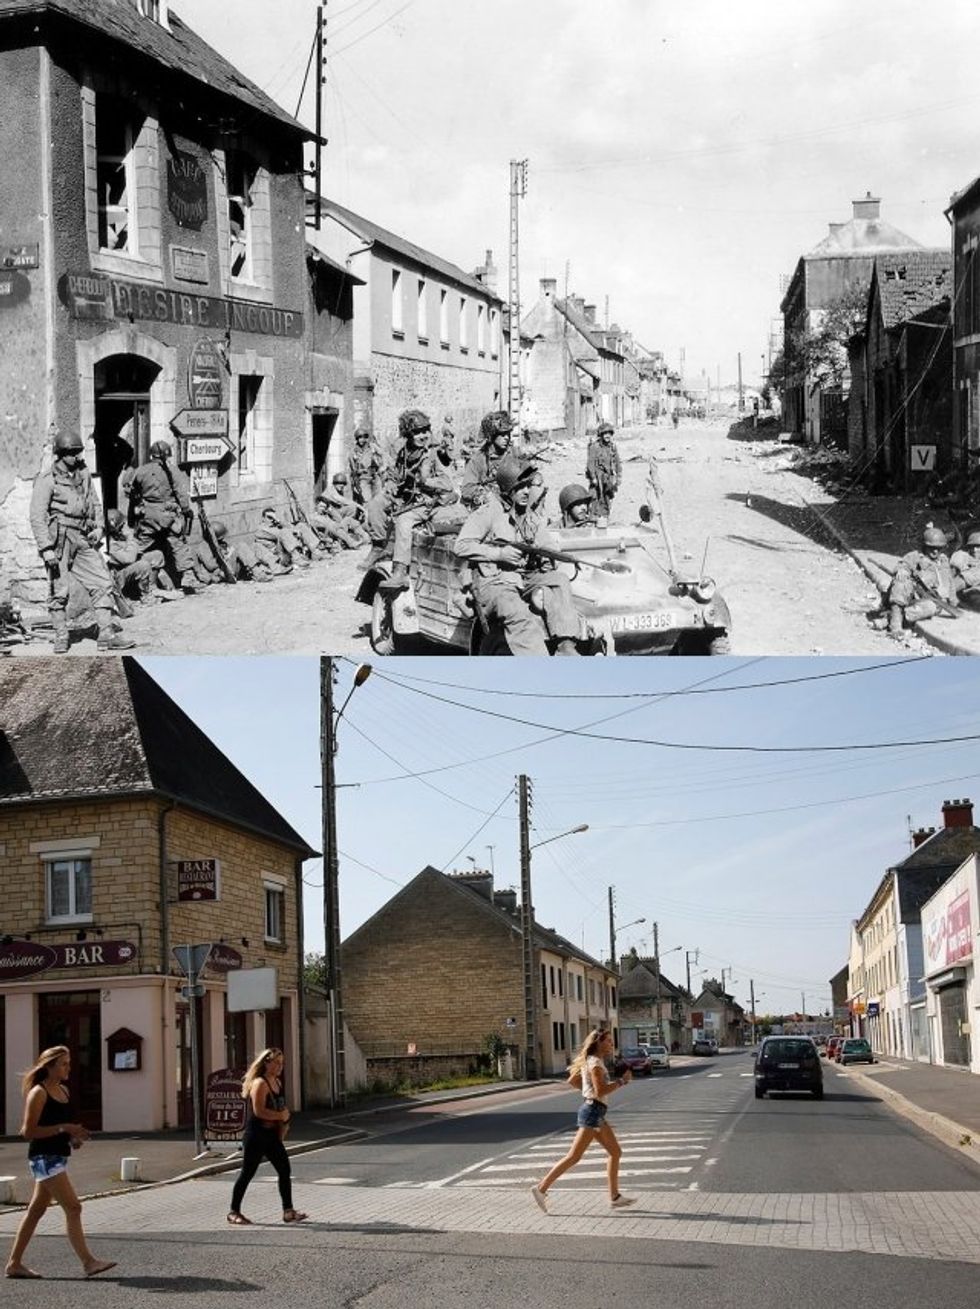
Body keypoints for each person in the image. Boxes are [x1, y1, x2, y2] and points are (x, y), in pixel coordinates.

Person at [5, 1045, 116, 1279]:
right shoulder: (39, 1092)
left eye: (69, 1063)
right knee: (74, 1208)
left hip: (57, 1155)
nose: (69, 1068)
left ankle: (14, 1264)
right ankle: (88, 1262)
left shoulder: (63, 1091)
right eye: (64, 1064)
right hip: (43, 1158)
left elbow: (60, 1127)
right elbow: (27, 1132)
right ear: (50, 1066)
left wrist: (73, 1137)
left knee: (36, 1211)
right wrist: (64, 1128)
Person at [454, 460, 582, 655]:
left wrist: (552, 554)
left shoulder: (529, 515)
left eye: (528, 486)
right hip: (495, 583)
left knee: (559, 580)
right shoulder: (489, 512)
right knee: (518, 613)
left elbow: (546, 542)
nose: (526, 492)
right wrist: (499, 554)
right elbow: (461, 545)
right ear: (507, 490)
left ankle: (566, 645)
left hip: (523, 577)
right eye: (520, 487)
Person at [29, 425, 134, 653]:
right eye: (73, 452)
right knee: (59, 590)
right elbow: (37, 517)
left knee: (102, 583)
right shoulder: (48, 480)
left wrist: (98, 527)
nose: (78, 456)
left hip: (84, 537)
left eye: (79, 451)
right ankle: (61, 635)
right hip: (60, 541)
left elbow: (95, 503)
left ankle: (106, 634)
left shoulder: (84, 474)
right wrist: (46, 548)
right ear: (61, 454)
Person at [530, 1029, 635, 1213]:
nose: (612, 1044)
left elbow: (573, 1080)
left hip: (595, 1111)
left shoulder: (594, 1061)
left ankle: (615, 1197)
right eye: (609, 1041)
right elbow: (601, 1091)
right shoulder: (594, 1063)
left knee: (615, 1152)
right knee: (574, 1156)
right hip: (593, 1112)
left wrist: (587, 1093)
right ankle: (541, 1189)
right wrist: (621, 1082)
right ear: (599, 1043)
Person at [378, 409, 461, 592]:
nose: (422, 436)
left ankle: (400, 572)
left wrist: (426, 482)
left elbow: (447, 482)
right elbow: (395, 475)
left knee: (405, 521)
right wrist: (391, 482)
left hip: (429, 502)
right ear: (408, 434)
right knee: (386, 512)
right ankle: (390, 560)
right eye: (417, 432)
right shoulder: (404, 453)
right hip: (410, 502)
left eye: (425, 431)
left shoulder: (433, 453)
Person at [227, 1048, 307, 1226]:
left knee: (284, 1169)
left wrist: (284, 1122)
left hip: (271, 1135)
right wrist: (281, 1116)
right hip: (256, 1135)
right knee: (247, 1173)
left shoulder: (276, 1082)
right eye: (276, 1062)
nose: (280, 1066)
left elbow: (279, 1107)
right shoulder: (260, 1083)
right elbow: (259, 1111)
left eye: (282, 1063)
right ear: (266, 1063)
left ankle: (288, 1211)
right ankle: (233, 1212)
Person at [126, 439, 202, 593]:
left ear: (151, 455)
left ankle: (132, 574)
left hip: (148, 514)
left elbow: (132, 494)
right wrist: (186, 509)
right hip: (168, 514)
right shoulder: (172, 470)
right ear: (166, 455)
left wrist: (135, 514)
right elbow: (181, 493)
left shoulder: (140, 471)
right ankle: (188, 578)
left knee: (141, 546)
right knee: (178, 545)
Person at [885, 523, 958, 634]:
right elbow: (902, 565)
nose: (935, 552)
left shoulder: (943, 561)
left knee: (930, 608)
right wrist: (902, 571)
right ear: (924, 546)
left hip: (933, 601)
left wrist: (953, 602)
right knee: (901, 581)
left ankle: (887, 620)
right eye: (932, 548)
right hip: (912, 599)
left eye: (939, 549)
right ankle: (895, 622)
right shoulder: (915, 556)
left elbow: (949, 581)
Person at [460, 411, 514, 508]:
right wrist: (485, 494)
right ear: (491, 436)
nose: (507, 438)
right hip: (488, 506)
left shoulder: (514, 452)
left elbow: (528, 472)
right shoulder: (479, 459)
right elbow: (467, 489)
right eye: (502, 434)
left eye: (508, 434)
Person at [194, 521, 277, 584]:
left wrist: (228, 551)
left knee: (255, 546)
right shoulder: (203, 546)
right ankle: (258, 573)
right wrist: (228, 554)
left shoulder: (217, 543)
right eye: (220, 539)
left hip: (230, 568)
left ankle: (273, 567)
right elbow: (211, 565)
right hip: (223, 572)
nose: (222, 540)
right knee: (240, 546)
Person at [585, 421, 622, 519]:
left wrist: (618, 476)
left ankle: (605, 517)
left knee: (607, 498)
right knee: (594, 498)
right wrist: (593, 477)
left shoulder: (612, 447)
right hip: (597, 477)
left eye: (609, 433)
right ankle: (593, 517)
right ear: (600, 435)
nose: (607, 436)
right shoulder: (594, 447)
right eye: (605, 433)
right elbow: (590, 463)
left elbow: (617, 462)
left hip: (608, 478)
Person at [348, 426, 385, 505]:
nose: (361, 440)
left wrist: (382, 466)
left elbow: (383, 455)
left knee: (379, 499)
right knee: (367, 501)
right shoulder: (353, 452)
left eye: (363, 437)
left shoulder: (372, 447)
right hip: (363, 478)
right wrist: (359, 472)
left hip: (375, 476)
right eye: (359, 438)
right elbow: (353, 469)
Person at [951, 529, 980, 601]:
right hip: (959, 591)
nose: (974, 550)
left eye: (978, 547)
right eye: (972, 547)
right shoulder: (962, 555)